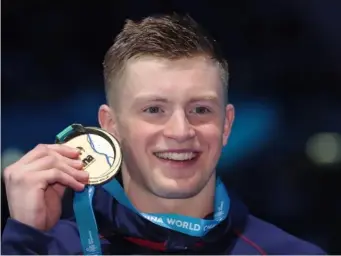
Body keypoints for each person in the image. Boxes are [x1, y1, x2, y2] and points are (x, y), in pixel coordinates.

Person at [2, 13, 325, 255]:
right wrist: (26, 238)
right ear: (110, 125)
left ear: (226, 125)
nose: (181, 131)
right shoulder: (48, 247)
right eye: (154, 110)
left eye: (200, 109)